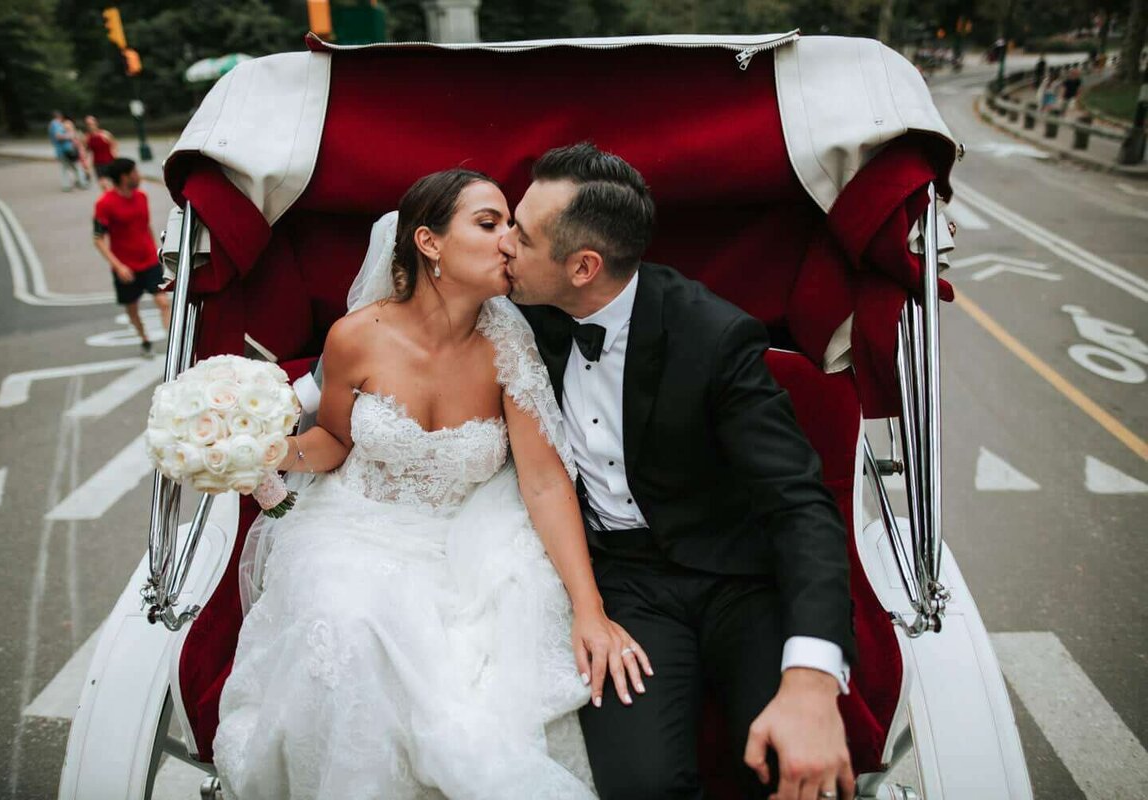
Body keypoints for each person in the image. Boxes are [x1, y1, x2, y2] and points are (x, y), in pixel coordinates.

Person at [214, 170, 649, 799]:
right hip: (353, 530)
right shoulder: (356, 336)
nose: (509, 241)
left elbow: (546, 484)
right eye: (489, 222)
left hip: (466, 544)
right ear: (429, 243)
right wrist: (263, 451)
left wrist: (591, 608)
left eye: (511, 225)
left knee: (470, 705)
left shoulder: (509, 350)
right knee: (349, 624)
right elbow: (334, 441)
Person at [503, 143, 856, 800]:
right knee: (639, 786)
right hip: (623, 585)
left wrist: (811, 679)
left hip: (738, 578)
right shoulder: (513, 313)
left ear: (583, 266)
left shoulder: (715, 337)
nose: (504, 249)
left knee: (794, 770)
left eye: (521, 237)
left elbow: (798, 502)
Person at [92, 158, 170, 354]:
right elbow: (98, 239)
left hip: (150, 261)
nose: (139, 175)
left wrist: (156, 252)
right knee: (132, 308)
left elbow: (146, 226)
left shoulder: (142, 197)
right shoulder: (104, 204)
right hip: (125, 266)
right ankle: (144, 338)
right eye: (135, 172)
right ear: (124, 177)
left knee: (163, 302)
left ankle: (171, 343)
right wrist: (118, 266)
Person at [47, 110, 87, 191]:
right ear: (60, 116)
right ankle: (79, 183)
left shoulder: (51, 125)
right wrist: (71, 136)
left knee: (67, 167)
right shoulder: (56, 124)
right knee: (75, 166)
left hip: (61, 150)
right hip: (67, 149)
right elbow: (58, 136)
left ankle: (72, 183)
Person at [83, 115, 119, 190]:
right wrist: (87, 167)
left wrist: (116, 158)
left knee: (113, 184)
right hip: (98, 164)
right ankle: (109, 200)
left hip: (109, 162)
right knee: (103, 185)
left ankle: (116, 199)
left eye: (92, 123)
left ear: (96, 123)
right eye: (88, 124)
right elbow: (87, 152)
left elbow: (114, 145)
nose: (90, 126)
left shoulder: (105, 134)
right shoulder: (87, 138)